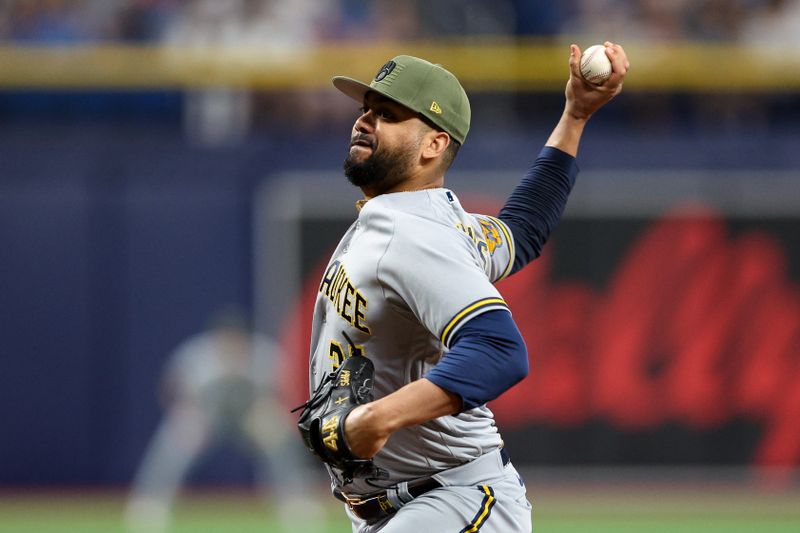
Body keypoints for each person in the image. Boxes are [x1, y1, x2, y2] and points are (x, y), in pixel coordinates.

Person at [306, 44, 629, 532]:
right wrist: (576, 115)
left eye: (388, 115)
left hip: (452, 500)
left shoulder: (415, 235)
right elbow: (523, 228)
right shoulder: (435, 223)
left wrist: (377, 419)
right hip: (412, 505)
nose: (365, 121)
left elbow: (498, 349)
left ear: (433, 145)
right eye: (366, 110)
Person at [125, 308, 320, 533]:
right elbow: (169, 390)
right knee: (178, 435)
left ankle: (296, 500)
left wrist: (266, 410)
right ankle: (150, 503)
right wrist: (189, 412)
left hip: (248, 415)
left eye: (236, 340)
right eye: (226, 340)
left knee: (276, 432)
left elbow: (284, 394)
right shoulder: (197, 357)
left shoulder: (263, 356)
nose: (231, 345)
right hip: (207, 415)